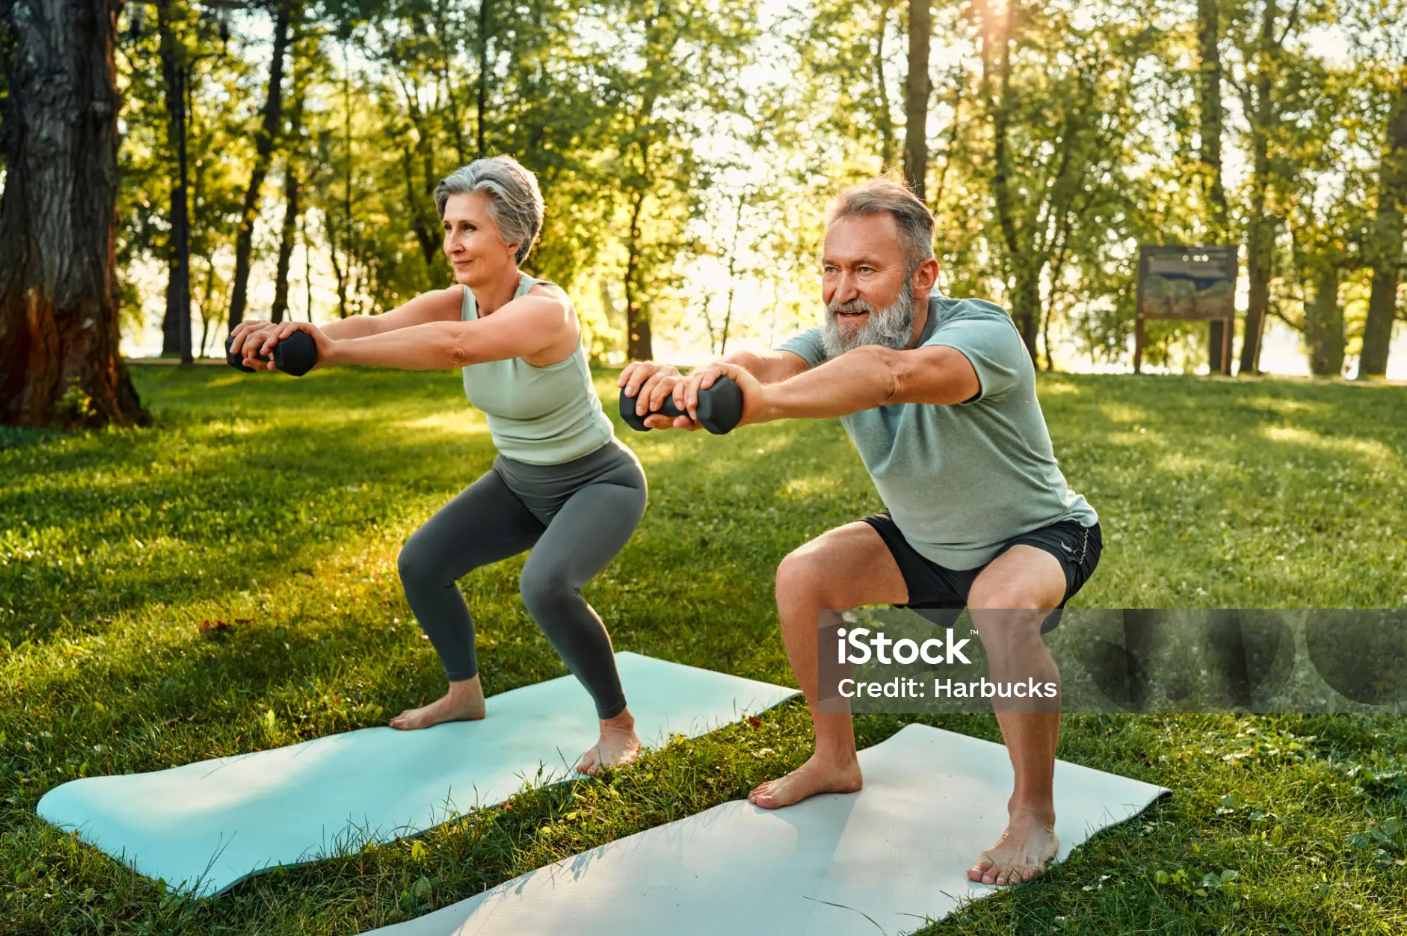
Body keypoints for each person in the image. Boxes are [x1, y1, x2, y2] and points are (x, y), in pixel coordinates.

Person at [620, 175, 1101, 884]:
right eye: (831, 268)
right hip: (926, 541)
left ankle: (1032, 812)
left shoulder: (981, 334)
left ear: (923, 275)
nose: (842, 289)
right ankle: (833, 758)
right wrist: (699, 383)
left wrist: (759, 406)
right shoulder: (833, 335)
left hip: (1037, 535)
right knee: (805, 574)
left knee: (998, 607)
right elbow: (766, 364)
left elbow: (887, 377)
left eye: (865, 270)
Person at [229, 155, 647, 775]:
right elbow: (377, 323)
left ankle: (619, 726)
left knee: (546, 585)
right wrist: (300, 332)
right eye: (449, 228)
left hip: (597, 480)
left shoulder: (546, 310)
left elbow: (458, 349)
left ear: (513, 237)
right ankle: (463, 694)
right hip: (519, 480)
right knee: (422, 563)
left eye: (469, 229)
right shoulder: (457, 299)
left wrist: (333, 352)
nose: (453, 243)